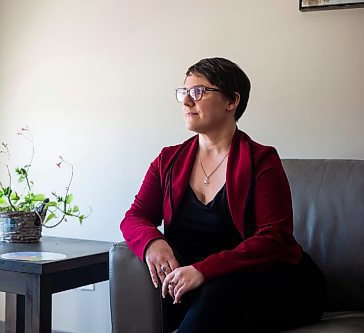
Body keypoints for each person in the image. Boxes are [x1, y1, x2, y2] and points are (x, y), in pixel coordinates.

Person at [120, 57, 325, 332]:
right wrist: (151, 243)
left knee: (217, 295)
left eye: (198, 92)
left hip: (268, 280)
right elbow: (135, 216)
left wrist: (204, 270)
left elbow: (274, 238)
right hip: (198, 283)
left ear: (232, 101)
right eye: (184, 93)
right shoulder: (167, 160)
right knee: (197, 296)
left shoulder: (262, 160)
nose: (186, 101)